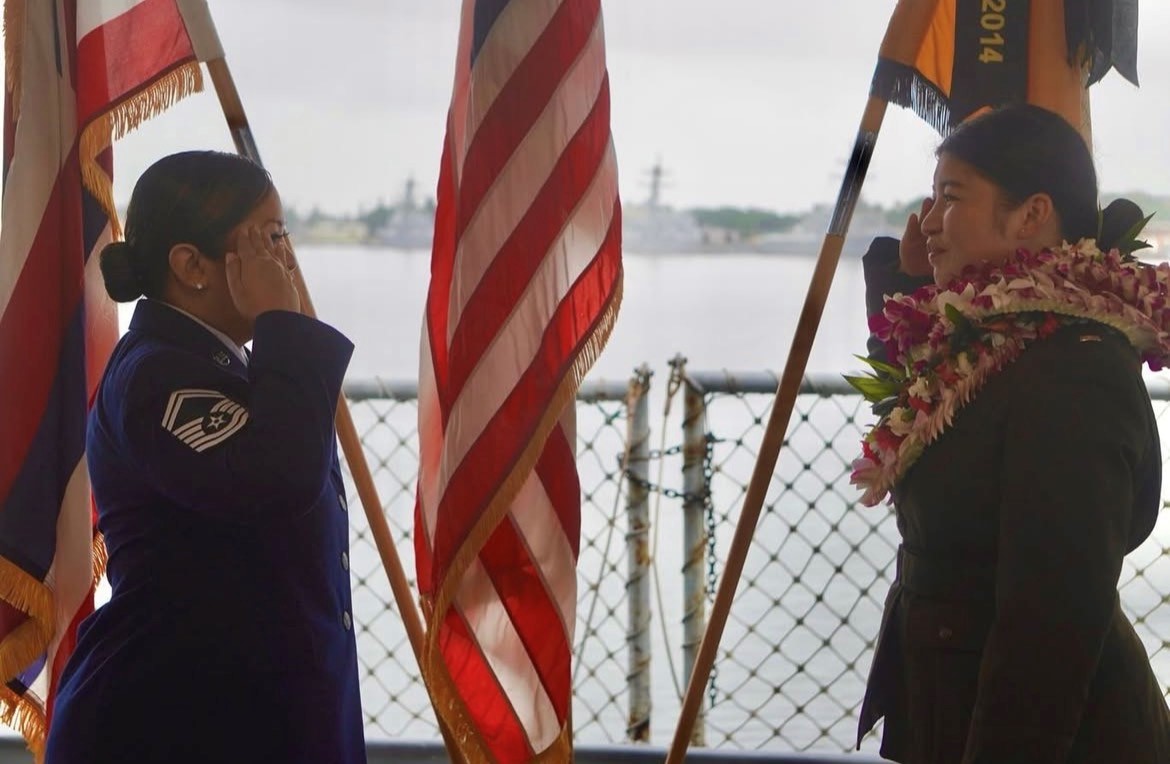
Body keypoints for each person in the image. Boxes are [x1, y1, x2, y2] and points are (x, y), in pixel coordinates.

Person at [851, 103, 1170, 763]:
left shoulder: (1072, 368)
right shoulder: (993, 340)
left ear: (1031, 215)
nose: (930, 221)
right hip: (950, 705)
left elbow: (1051, 619)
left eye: (952, 198)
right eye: (930, 198)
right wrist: (907, 288)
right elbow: (934, 439)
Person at [44, 151, 366, 763]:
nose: (286, 260)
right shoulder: (157, 378)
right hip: (167, 728)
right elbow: (276, 480)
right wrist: (282, 322)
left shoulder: (220, 365)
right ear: (192, 265)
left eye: (285, 235)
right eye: (268, 239)